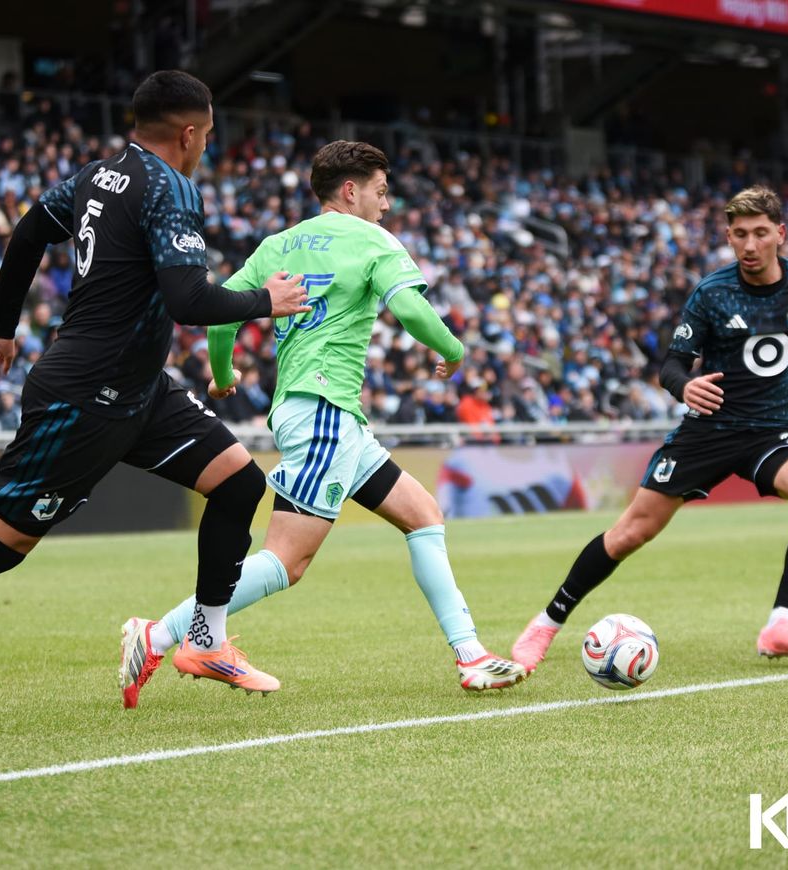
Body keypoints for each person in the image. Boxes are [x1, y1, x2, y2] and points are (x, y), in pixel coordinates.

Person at [0, 70, 311, 734]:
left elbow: (27, 233)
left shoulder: (96, 176)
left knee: (237, 482)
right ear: (190, 133)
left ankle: (205, 641)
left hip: (138, 388)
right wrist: (266, 302)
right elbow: (188, 300)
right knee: (2, 542)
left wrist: (0, 324)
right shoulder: (169, 186)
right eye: (209, 133)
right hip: (83, 398)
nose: (207, 145)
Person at [119, 141, 526, 708]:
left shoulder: (277, 246)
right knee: (288, 560)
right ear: (351, 190)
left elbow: (221, 316)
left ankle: (471, 653)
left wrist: (223, 374)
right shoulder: (373, 241)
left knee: (423, 515)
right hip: (324, 412)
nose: (388, 205)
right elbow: (410, 310)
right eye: (381, 192)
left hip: (322, 415)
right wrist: (453, 352)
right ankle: (158, 634)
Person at [510, 185, 788, 672]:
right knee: (632, 532)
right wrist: (686, 387)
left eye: (761, 233)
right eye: (740, 234)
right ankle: (545, 625)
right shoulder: (713, 293)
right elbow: (672, 365)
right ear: (728, 237)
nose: (750, 245)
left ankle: (781, 622)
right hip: (710, 431)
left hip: (773, 432)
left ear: (780, 234)